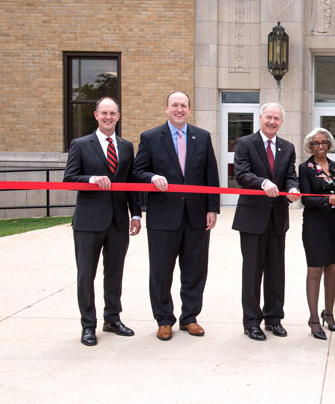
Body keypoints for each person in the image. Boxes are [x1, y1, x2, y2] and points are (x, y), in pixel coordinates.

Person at [132, 91, 220, 341]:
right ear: (166, 108)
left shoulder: (201, 137)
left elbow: (210, 175)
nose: (179, 109)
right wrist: (151, 177)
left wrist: (212, 208)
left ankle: (189, 317)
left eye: (183, 106)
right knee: (161, 271)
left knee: (195, 269)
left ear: (189, 110)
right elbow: (137, 171)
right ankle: (164, 319)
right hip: (163, 216)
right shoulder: (150, 137)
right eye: (174, 105)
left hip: (196, 215)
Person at [63, 97, 141, 346]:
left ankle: (112, 319)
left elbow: (131, 184)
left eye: (113, 113)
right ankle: (88, 325)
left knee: (115, 273)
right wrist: (91, 179)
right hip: (88, 221)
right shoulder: (80, 144)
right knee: (86, 274)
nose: (108, 117)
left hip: (118, 220)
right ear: (96, 115)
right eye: (104, 113)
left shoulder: (126, 146)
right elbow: (69, 178)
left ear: (118, 116)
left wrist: (136, 214)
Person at [232, 103, 300, 341]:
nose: (272, 122)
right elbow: (241, 173)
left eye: (277, 118)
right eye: (269, 117)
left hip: (277, 218)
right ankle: (251, 322)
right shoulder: (245, 144)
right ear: (260, 118)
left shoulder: (287, 147)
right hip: (252, 219)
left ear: (281, 121)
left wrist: (292, 188)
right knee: (252, 272)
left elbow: (290, 175)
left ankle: (274, 319)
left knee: (276, 271)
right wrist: (262, 183)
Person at [298, 128, 335, 340]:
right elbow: (306, 199)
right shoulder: (305, 168)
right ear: (310, 145)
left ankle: (329, 314)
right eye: (316, 143)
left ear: (330, 145)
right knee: (315, 269)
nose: (320, 146)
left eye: (324, 142)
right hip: (314, 224)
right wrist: (329, 200)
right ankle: (313, 319)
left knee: (333, 268)